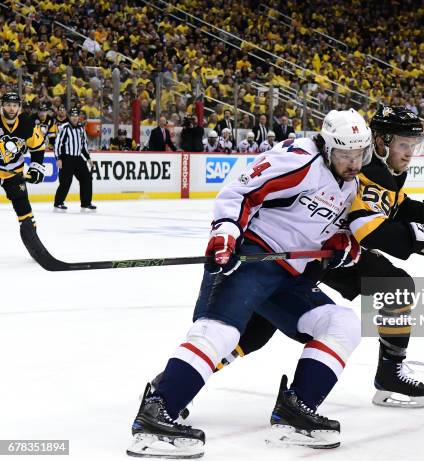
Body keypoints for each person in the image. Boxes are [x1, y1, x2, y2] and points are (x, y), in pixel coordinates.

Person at [157, 106, 424, 412]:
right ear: (380, 142)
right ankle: (390, 372)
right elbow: (369, 227)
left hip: (327, 247)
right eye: (404, 145)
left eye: (412, 146)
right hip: (314, 251)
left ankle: (173, 384)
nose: (408, 153)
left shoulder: (371, 165)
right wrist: (418, 237)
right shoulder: (357, 165)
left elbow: (392, 205)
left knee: (257, 329)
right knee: (395, 285)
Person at [127, 109, 372, 458]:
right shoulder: (299, 161)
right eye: (345, 155)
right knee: (222, 332)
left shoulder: (351, 183)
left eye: (358, 154)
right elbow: (239, 192)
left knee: (342, 323)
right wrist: (225, 232)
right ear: (328, 147)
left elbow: (325, 227)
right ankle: (157, 413)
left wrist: (341, 244)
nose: (353, 162)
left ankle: (295, 411)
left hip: (289, 275)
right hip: (250, 257)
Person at [0, 92, 46, 233]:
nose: (11, 109)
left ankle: (31, 236)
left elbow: (38, 147)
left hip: (14, 173)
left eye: (14, 105)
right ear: (2, 106)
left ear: (19, 107)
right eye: (8, 105)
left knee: (24, 209)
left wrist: (35, 167)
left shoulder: (27, 124)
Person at [53, 108, 96, 211]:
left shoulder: (81, 128)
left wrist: (88, 158)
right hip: (67, 158)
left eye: (76, 115)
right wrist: (58, 158)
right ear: (69, 117)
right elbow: (58, 144)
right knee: (66, 181)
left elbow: (84, 145)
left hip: (78, 158)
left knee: (87, 178)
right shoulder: (64, 127)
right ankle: (58, 202)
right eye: (73, 115)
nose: (75, 117)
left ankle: (86, 202)